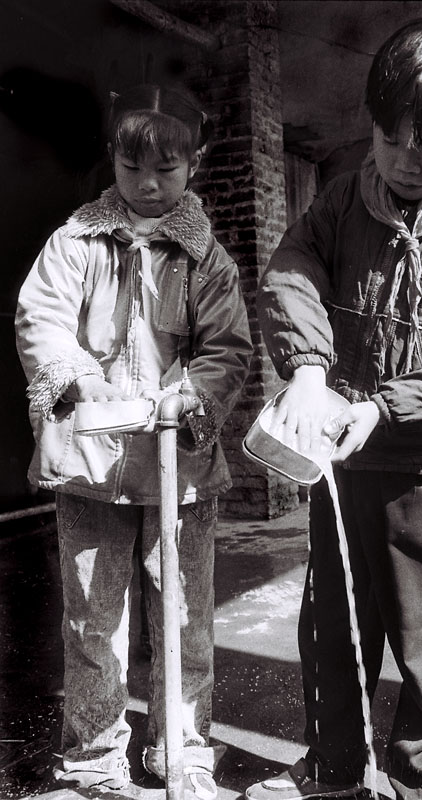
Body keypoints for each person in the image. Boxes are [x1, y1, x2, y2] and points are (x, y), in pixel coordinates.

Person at [245, 19, 422, 800]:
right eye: (388, 138)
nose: (405, 160)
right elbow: (293, 265)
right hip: (338, 469)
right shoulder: (342, 199)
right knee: (333, 631)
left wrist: (385, 409)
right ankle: (335, 772)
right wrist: (305, 368)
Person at [15, 83, 253, 795]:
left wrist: (189, 398)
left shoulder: (206, 259)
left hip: (178, 457)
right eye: (131, 169)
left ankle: (183, 749)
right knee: (92, 616)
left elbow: (227, 347)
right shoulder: (75, 241)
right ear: (113, 163)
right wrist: (76, 379)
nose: (148, 185)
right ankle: (94, 757)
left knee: (183, 612)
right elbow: (42, 317)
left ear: (196, 164)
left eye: (167, 170)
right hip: (91, 458)